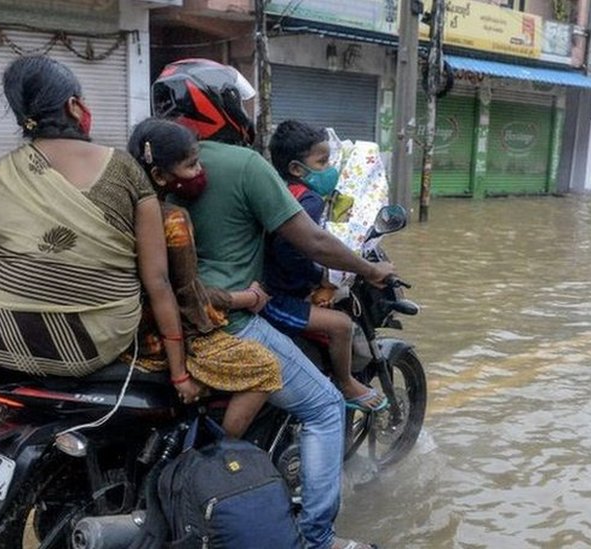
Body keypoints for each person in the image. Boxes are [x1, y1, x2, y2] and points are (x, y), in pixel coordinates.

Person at [152, 58, 394, 549]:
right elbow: (313, 242)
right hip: (233, 320)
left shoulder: (152, 167)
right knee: (326, 407)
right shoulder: (244, 165)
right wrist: (369, 269)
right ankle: (317, 538)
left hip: (168, 319)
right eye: (237, 102)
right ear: (217, 105)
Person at [0, 55, 185, 383]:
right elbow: (157, 281)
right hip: (87, 346)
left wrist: (16, 267)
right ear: (74, 106)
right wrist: (179, 372)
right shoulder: (124, 170)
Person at [126, 118, 282, 438]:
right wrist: (245, 299)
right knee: (267, 368)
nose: (199, 172)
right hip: (162, 340)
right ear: (159, 175)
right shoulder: (172, 219)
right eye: (191, 164)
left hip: (126, 331)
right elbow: (184, 292)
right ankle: (221, 455)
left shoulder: (120, 211)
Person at [264, 119, 388, 413]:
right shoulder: (306, 201)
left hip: (272, 286)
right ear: (296, 168)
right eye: (322, 162)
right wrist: (323, 277)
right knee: (342, 325)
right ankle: (346, 382)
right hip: (278, 299)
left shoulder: (282, 190)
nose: (330, 168)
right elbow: (294, 252)